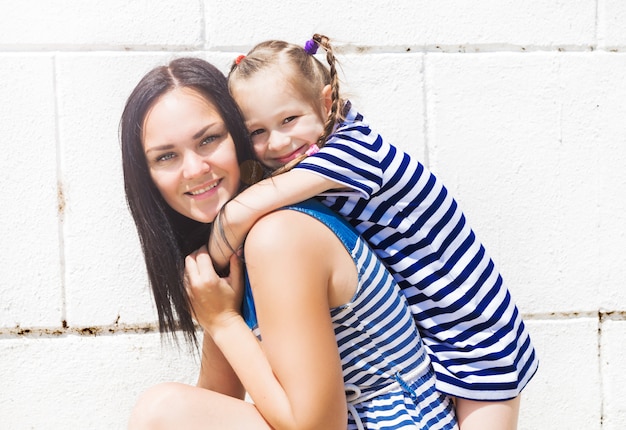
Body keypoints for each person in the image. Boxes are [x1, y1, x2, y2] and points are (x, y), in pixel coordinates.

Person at [206, 34, 539, 429]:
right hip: (439, 337)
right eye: (256, 132)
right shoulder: (315, 160)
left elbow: (240, 213)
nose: (276, 142)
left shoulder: (353, 152)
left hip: (478, 336)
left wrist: (211, 266)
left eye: (289, 120)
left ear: (326, 103)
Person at [120, 57, 458, 429]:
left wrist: (224, 322)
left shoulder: (278, 236)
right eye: (166, 156)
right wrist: (219, 315)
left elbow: (315, 427)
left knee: (164, 411)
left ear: (239, 135)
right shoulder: (236, 248)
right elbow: (217, 402)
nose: (195, 169)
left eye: (209, 139)